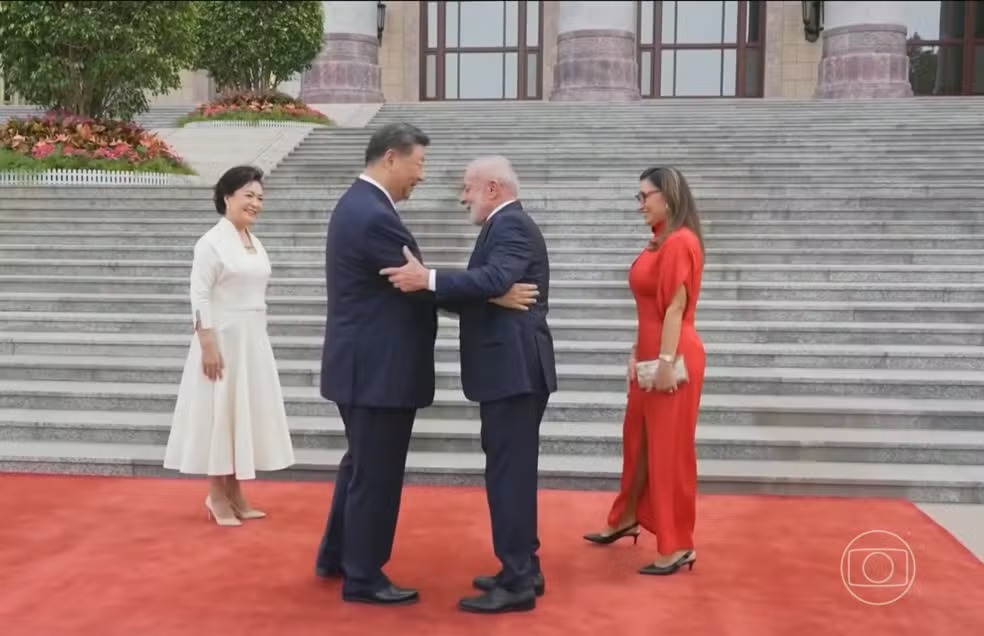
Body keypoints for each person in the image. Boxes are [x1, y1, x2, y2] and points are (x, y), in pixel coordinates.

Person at [314, 126, 536, 606]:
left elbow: (419, 283)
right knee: (375, 473)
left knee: (360, 466)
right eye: (419, 165)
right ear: (391, 158)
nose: (422, 176)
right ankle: (363, 576)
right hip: (377, 371)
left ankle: (338, 556)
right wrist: (490, 295)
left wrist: (463, 288)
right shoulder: (373, 215)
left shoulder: (361, 206)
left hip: (365, 366)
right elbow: (414, 283)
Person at [381, 155, 556, 614]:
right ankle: (525, 567)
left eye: (467, 188)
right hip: (510, 373)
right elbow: (490, 287)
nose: (462, 198)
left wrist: (427, 278)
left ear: (492, 188)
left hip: (514, 373)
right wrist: (486, 295)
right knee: (509, 473)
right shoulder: (502, 225)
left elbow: (494, 278)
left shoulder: (511, 225)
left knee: (509, 477)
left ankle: (517, 582)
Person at [582, 166, 706, 576]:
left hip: (673, 357)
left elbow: (674, 308)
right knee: (637, 440)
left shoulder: (680, 242)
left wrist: (666, 362)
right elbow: (650, 308)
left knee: (669, 451)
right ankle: (627, 515)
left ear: (667, 197)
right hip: (652, 356)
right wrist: (638, 351)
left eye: (644, 196)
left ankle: (678, 543)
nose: (640, 205)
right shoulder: (659, 242)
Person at [163, 165, 296, 527]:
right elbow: (199, 294)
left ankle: (236, 493)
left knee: (241, 414)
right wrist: (207, 343)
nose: (256, 203)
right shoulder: (211, 242)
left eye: (260, 198)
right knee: (219, 414)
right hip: (222, 340)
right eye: (248, 195)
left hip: (252, 340)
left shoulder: (254, 241)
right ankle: (216, 495)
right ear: (227, 197)